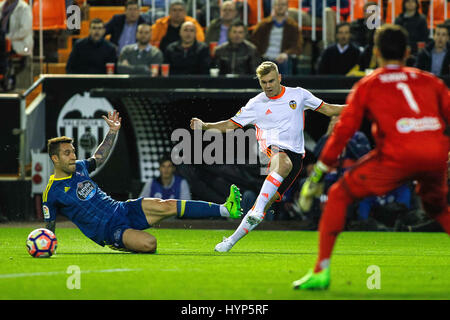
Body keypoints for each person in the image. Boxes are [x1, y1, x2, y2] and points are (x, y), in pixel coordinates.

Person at [293, 24, 450, 290]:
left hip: (398, 156)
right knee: (437, 208)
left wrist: (318, 173)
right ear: (409, 52)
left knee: (339, 195)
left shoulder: (369, 84)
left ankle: (321, 272)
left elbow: (343, 132)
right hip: (435, 155)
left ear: (376, 53)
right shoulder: (430, 81)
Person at [190, 61, 346, 252]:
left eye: (271, 81)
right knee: (282, 162)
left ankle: (230, 241)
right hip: (273, 152)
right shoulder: (256, 104)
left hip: (296, 158)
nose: (268, 86)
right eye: (263, 82)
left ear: (279, 78)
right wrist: (205, 125)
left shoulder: (298, 94)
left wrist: (359, 107)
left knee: (263, 205)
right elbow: (230, 125)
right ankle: (255, 210)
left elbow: (329, 109)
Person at [43, 110, 242, 253]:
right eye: (67, 153)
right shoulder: (52, 192)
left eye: (73, 152)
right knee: (150, 244)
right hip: (109, 230)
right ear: (55, 159)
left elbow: (99, 157)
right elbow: (49, 226)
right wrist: (47, 244)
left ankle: (226, 209)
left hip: (122, 209)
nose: (72, 156)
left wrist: (112, 131)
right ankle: (123, 244)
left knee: (167, 206)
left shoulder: (80, 167)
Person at [250, 0, 303, 75]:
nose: (280, 7)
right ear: (273, 7)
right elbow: (254, 42)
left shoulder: (293, 26)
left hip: (282, 58)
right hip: (265, 57)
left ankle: (284, 85)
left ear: (287, 7)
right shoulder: (263, 24)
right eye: (278, 4)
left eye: (283, 5)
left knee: (285, 62)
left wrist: (285, 54)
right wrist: (261, 54)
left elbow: (297, 46)